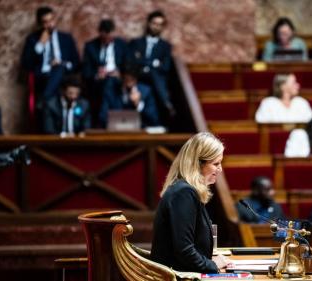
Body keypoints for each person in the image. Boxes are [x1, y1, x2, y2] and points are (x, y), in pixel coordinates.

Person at [150, 132, 231, 273]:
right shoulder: (184, 193)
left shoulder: (185, 190)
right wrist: (212, 264)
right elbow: (184, 251)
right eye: (216, 164)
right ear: (197, 164)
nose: (220, 169)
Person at [21, 6, 80, 104]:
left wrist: (62, 63)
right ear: (40, 24)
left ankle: (44, 100)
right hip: (42, 76)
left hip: (64, 75)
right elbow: (26, 64)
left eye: (51, 20)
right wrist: (39, 45)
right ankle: (47, 99)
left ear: (55, 19)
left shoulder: (66, 38)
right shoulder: (33, 39)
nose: (50, 24)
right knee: (54, 85)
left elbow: (77, 63)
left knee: (59, 68)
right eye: (45, 22)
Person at [127, 10, 174, 121]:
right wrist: (153, 63)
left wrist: (144, 62)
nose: (156, 27)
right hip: (138, 77)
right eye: (154, 23)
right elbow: (132, 62)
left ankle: (152, 121)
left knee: (150, 83)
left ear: (163, 27)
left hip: (154, 81)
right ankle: (166, 102)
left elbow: (165, 67)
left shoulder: (165, 46)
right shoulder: (136, 43)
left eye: (160, 25)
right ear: (148, 23)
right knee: (151, 78)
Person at [82, 19, 128, 124]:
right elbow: (86, 71)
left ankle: (103, 119)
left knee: (110, 82)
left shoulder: (122, 45)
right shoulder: (90, 46)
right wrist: (97, 75)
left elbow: (129, 66)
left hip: (119, 82)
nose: (108, 39)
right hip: (97, 84)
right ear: (100, 33)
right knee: (108, 83)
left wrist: (119, 74)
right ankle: (115, 119)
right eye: (105, 37)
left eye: (110, 37)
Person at [99, 64, 160, 128]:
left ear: (136, 79)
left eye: (132, 80)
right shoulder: (111, 92)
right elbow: (102, 117)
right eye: (126, 80)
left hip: (140, 133)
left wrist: (139, 104)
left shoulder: (146, 92)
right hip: (116, 131)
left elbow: (154, 119)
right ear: (121, 78)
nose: (129, 85)